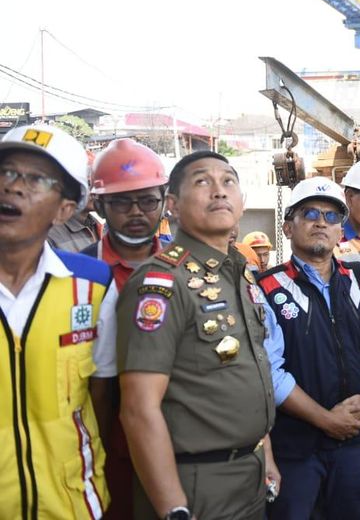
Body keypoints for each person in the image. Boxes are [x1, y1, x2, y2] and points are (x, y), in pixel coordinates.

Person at [116, 150, 278, 520]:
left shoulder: (238, 271)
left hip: (249, 476)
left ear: (241, 202)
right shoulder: (162, 283)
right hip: (195, 484)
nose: (219, 191)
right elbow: (139, 409)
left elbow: (247, 370)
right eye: (203, 181)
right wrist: (174, 507)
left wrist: (264, 451)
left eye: (228, 181)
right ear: (171, 204)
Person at [258, 176, 360, 520]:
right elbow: (268, 372)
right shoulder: (266, 289)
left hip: (354, 440)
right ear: (288, 227)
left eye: (332, 217)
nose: (322, 222)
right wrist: (325, 420)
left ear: (340, 231)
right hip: (296, 446)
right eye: (309, 214)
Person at [0, 123, 117, 518]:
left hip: (71, 506)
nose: (13, 187)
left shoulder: (93, 285)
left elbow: (101, 398)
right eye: (6, 172)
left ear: (65, 209)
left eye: (35, 179)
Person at [81, 137, 170, 520]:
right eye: (121, 202)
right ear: (100, 205)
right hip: (104, 442)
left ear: (164, 200)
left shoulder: (184, 266)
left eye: (147, 200)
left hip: (177, 436)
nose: (136, 211)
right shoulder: (78, 275)